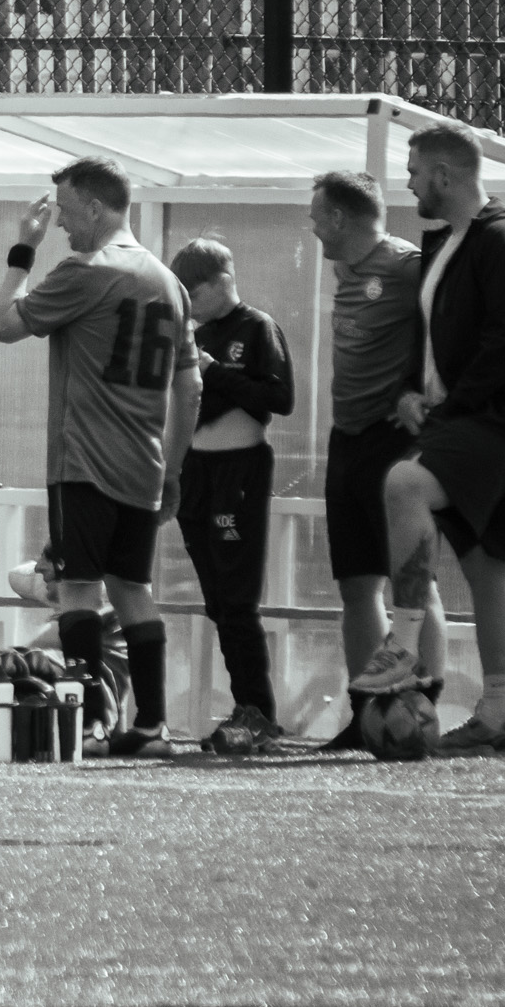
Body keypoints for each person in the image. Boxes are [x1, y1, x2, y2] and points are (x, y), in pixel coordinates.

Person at [0, 156, 201, 756]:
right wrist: (175, 466)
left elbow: (3, 325)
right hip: (144, 464)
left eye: (66, 211)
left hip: (83, 461)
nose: (59, 225)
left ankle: (89, 723)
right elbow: (192, 387)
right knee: (133, 588)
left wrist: (21, 252)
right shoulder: (168, 280)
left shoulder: (85, 270)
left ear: (99, 207)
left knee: (78, 587)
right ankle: (152, 726)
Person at [356, 123, 505, 756]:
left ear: (445, 175)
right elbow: (439, 335)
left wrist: (453, 406)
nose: (409, 181)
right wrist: (412, 394)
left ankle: (406, 638)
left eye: (414, 171)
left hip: (497, 419)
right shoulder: (449, 241)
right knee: (487, 566)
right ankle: (498, 717)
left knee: (403, 482)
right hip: (469, 416)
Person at [308, 169, 437, 750]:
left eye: (317, 216)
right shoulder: (344, 269)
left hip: (393, 444)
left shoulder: (409, 266)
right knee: (358, 585)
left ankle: (423, 705)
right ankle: (366, 714)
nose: (312, 228)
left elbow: (450, 335)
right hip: (348, 437)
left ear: (338, 217)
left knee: (412, 580)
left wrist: (416, 392)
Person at [172, 235, 294, 755]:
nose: (189, 307)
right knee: (220, 600)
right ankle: (247, 709)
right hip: (194, 470)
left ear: (222, 282)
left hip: (238, 470)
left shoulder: (256, 326)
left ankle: (259, 713)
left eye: (194, 295)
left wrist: (214, 370)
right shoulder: (190, 331)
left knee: (238, 599)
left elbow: (279, 398)